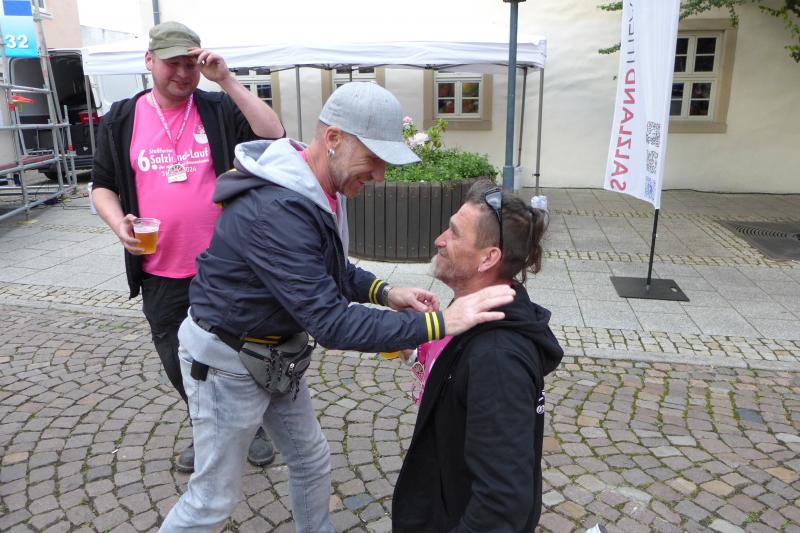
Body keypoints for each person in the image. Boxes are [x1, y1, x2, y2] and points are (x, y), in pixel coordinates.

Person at [158, 82, 516, 532]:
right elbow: (330, 322)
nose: (380, 175)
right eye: (374, 158)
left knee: (310, 459)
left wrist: (385, 292)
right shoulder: (277, 208)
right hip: (227, 361)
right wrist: (441, 322)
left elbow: (330, 267)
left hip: (273, 354)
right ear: (334, 138)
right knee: (212, 500)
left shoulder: (316, 187)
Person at [90, 21, 283, 473]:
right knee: (179, 361)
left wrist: (226, 80)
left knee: (239, 354)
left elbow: (273, 136)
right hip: (160, 270)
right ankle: (208, 426)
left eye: (189, 64)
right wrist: (119, 224)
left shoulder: (216, 107)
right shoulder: (121, 118)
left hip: (226, 268)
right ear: (149, 61)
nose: (182, 73)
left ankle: (250, 425)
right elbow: (102, 185)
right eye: (172, 63)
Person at [392, 179, 565, 532]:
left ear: (489, 258)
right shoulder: (472, 313)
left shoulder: (497, 359)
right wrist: (414, 351)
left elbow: (502, 504)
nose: (439, 240)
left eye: (454, 233)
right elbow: (454, 377)